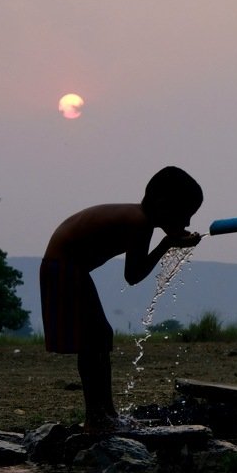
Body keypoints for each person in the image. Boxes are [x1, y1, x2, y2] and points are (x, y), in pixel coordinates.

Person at [40, 166, 203, 432]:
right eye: (185, 215)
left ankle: (105, 413)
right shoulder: (139, 223)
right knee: (93, 339)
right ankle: (97, 416)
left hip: (66, 266)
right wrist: (166, 245)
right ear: (163, 205)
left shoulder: (138, 218)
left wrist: (166, 243)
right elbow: (134, 275)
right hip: (63, 267)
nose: (186, 223)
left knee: (98, 337)